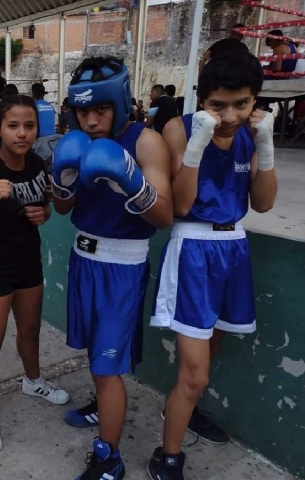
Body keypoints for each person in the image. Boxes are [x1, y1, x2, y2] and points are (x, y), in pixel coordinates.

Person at [148, 52, 277, 480]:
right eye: (218, 105)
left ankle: (183, 410)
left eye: (241, 103)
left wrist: (266, 147)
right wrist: (198, 145)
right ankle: (167, 457)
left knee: (212, 351)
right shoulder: (177, 128)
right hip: (194, 249)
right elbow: (182, 204)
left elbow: (262, 202)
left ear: (254, 100)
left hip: (233, 248)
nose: (229, 115)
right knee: (196, 372)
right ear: (201, 99)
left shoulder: (250, 132)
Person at [52, 57, 173, 480]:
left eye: (99, 110)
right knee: (95, 356)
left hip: (122, 268)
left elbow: (164, 216)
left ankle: (110, 458)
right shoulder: (76, 141)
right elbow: (64, 209)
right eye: (82, 111)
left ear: (119, 103)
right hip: (83, 261)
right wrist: (61, 182)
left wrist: (132, 182)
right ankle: (103, 407)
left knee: (107, 367)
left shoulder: (146, 142)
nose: (90, 120)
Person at [0, 95, 70, 453]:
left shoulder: (38, 163)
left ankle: (33, 380)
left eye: (29, 126)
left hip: (28, 263)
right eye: (13, 126)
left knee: (30, 332)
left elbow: (46, 208)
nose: (22, 133)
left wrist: (44, 216)